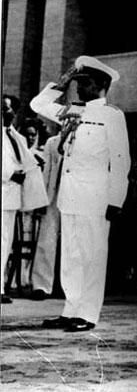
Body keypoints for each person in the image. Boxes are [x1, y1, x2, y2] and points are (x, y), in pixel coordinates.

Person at [30, 56, 131, 332]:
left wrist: (115, 199)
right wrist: (60, 84)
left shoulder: (112, 116)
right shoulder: (73, 110)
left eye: (84, 83)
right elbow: (37, 105)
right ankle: (70, 309)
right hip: (70, 195)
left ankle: (87, 314)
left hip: (97, 198)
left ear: (100, 84)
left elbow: (121, 161)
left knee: (92, 255)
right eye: (77, 83)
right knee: (71, 255)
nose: (78, 89)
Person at [2, 95, 48, 304]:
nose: (7, 113)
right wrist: (10, 174)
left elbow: (26, 159)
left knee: (5, 242)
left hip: (11, 198)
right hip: (5, 189)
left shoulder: (14, 136)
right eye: (4, 109)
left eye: (9, 109)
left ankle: (1, 287)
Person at [30, 120, 63, 300]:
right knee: (47, 240)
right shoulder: (53, 143)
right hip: (54, 195)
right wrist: (42, 199)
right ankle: (41, 285)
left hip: (75, 195)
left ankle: (64, 286)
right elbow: (47, 171)